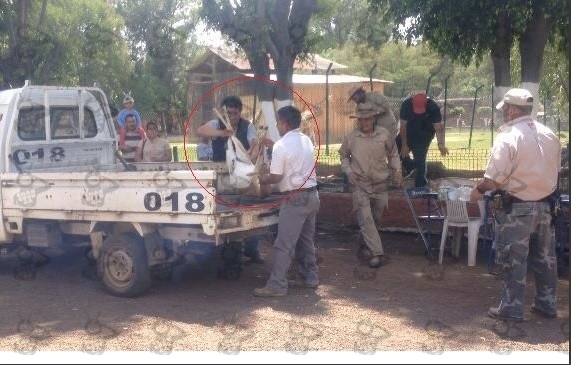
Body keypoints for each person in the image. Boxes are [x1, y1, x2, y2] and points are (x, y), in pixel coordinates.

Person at [470, 88, 561, 322]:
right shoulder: (550, 134)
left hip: (517, 208)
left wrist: (477, 191)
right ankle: (547, 304)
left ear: (511, 109)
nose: (503, 114)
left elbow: (493, 180)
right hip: (547, 207)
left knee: (513, 259)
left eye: (505, 110)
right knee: (545, 259)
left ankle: (511, 307)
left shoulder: (508, 136)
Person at [253, 105, 320, 297]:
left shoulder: (282, 145)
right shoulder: (305, 139)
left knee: (283, 244)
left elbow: (275, 176)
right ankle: (310, 277)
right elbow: (292, 155)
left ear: (284, 123)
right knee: (306, 241)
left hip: (295, 198)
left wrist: (260, 178)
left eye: (278, 122)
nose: (277, 125)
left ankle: (276, 285)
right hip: (312, 196)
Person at [197, 95, 263, 264]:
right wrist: (222, 133)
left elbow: (255, 145)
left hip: (242, 175)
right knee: (222, 213)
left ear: (240, 111)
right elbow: (200, 131)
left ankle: (251, 250)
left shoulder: (247, 127)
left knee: (249, 213)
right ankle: (225, 252)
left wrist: (252, 155)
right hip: (221, 175)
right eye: (227, 113)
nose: (231, 117)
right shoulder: (216, 124)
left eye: (234, 113)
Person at [339, 102, 402, 268]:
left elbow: (394, 153)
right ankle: (377, 253)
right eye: (361, 120)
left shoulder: (384, 134)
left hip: (381, 184)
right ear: (358, 121)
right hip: (360, 184)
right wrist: (349, 172)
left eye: (368, 119)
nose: (365, 123)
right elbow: (343, 156)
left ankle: (363, 241)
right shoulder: (351, 137)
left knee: (376, 218)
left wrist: (396, 169)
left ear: (373, 119)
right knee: (366, 218)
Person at [399, 91, 449, 188]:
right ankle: (412, 166)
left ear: (426, 103)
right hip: (408, 131)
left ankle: (420, 186)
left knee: (420, 158)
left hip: (425, 134)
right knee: (398, 152)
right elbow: (403, 126)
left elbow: (438, 127)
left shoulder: (433, 107)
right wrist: (404, 145)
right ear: (412, 102)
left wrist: (441, 144)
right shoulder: (406, 105)